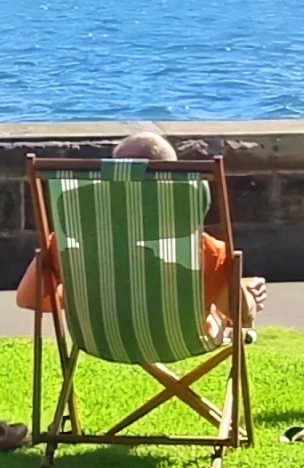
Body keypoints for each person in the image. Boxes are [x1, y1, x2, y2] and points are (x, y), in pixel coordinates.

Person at [16, 132, 267, 341]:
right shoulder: (205, 250)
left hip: (101, 340)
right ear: (175, 187)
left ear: (111, 184)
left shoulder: (69, 243)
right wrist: (245, 291)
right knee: (219, 309)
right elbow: (240, 315)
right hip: (181, 341)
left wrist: (85, 297)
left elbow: (30, 299)